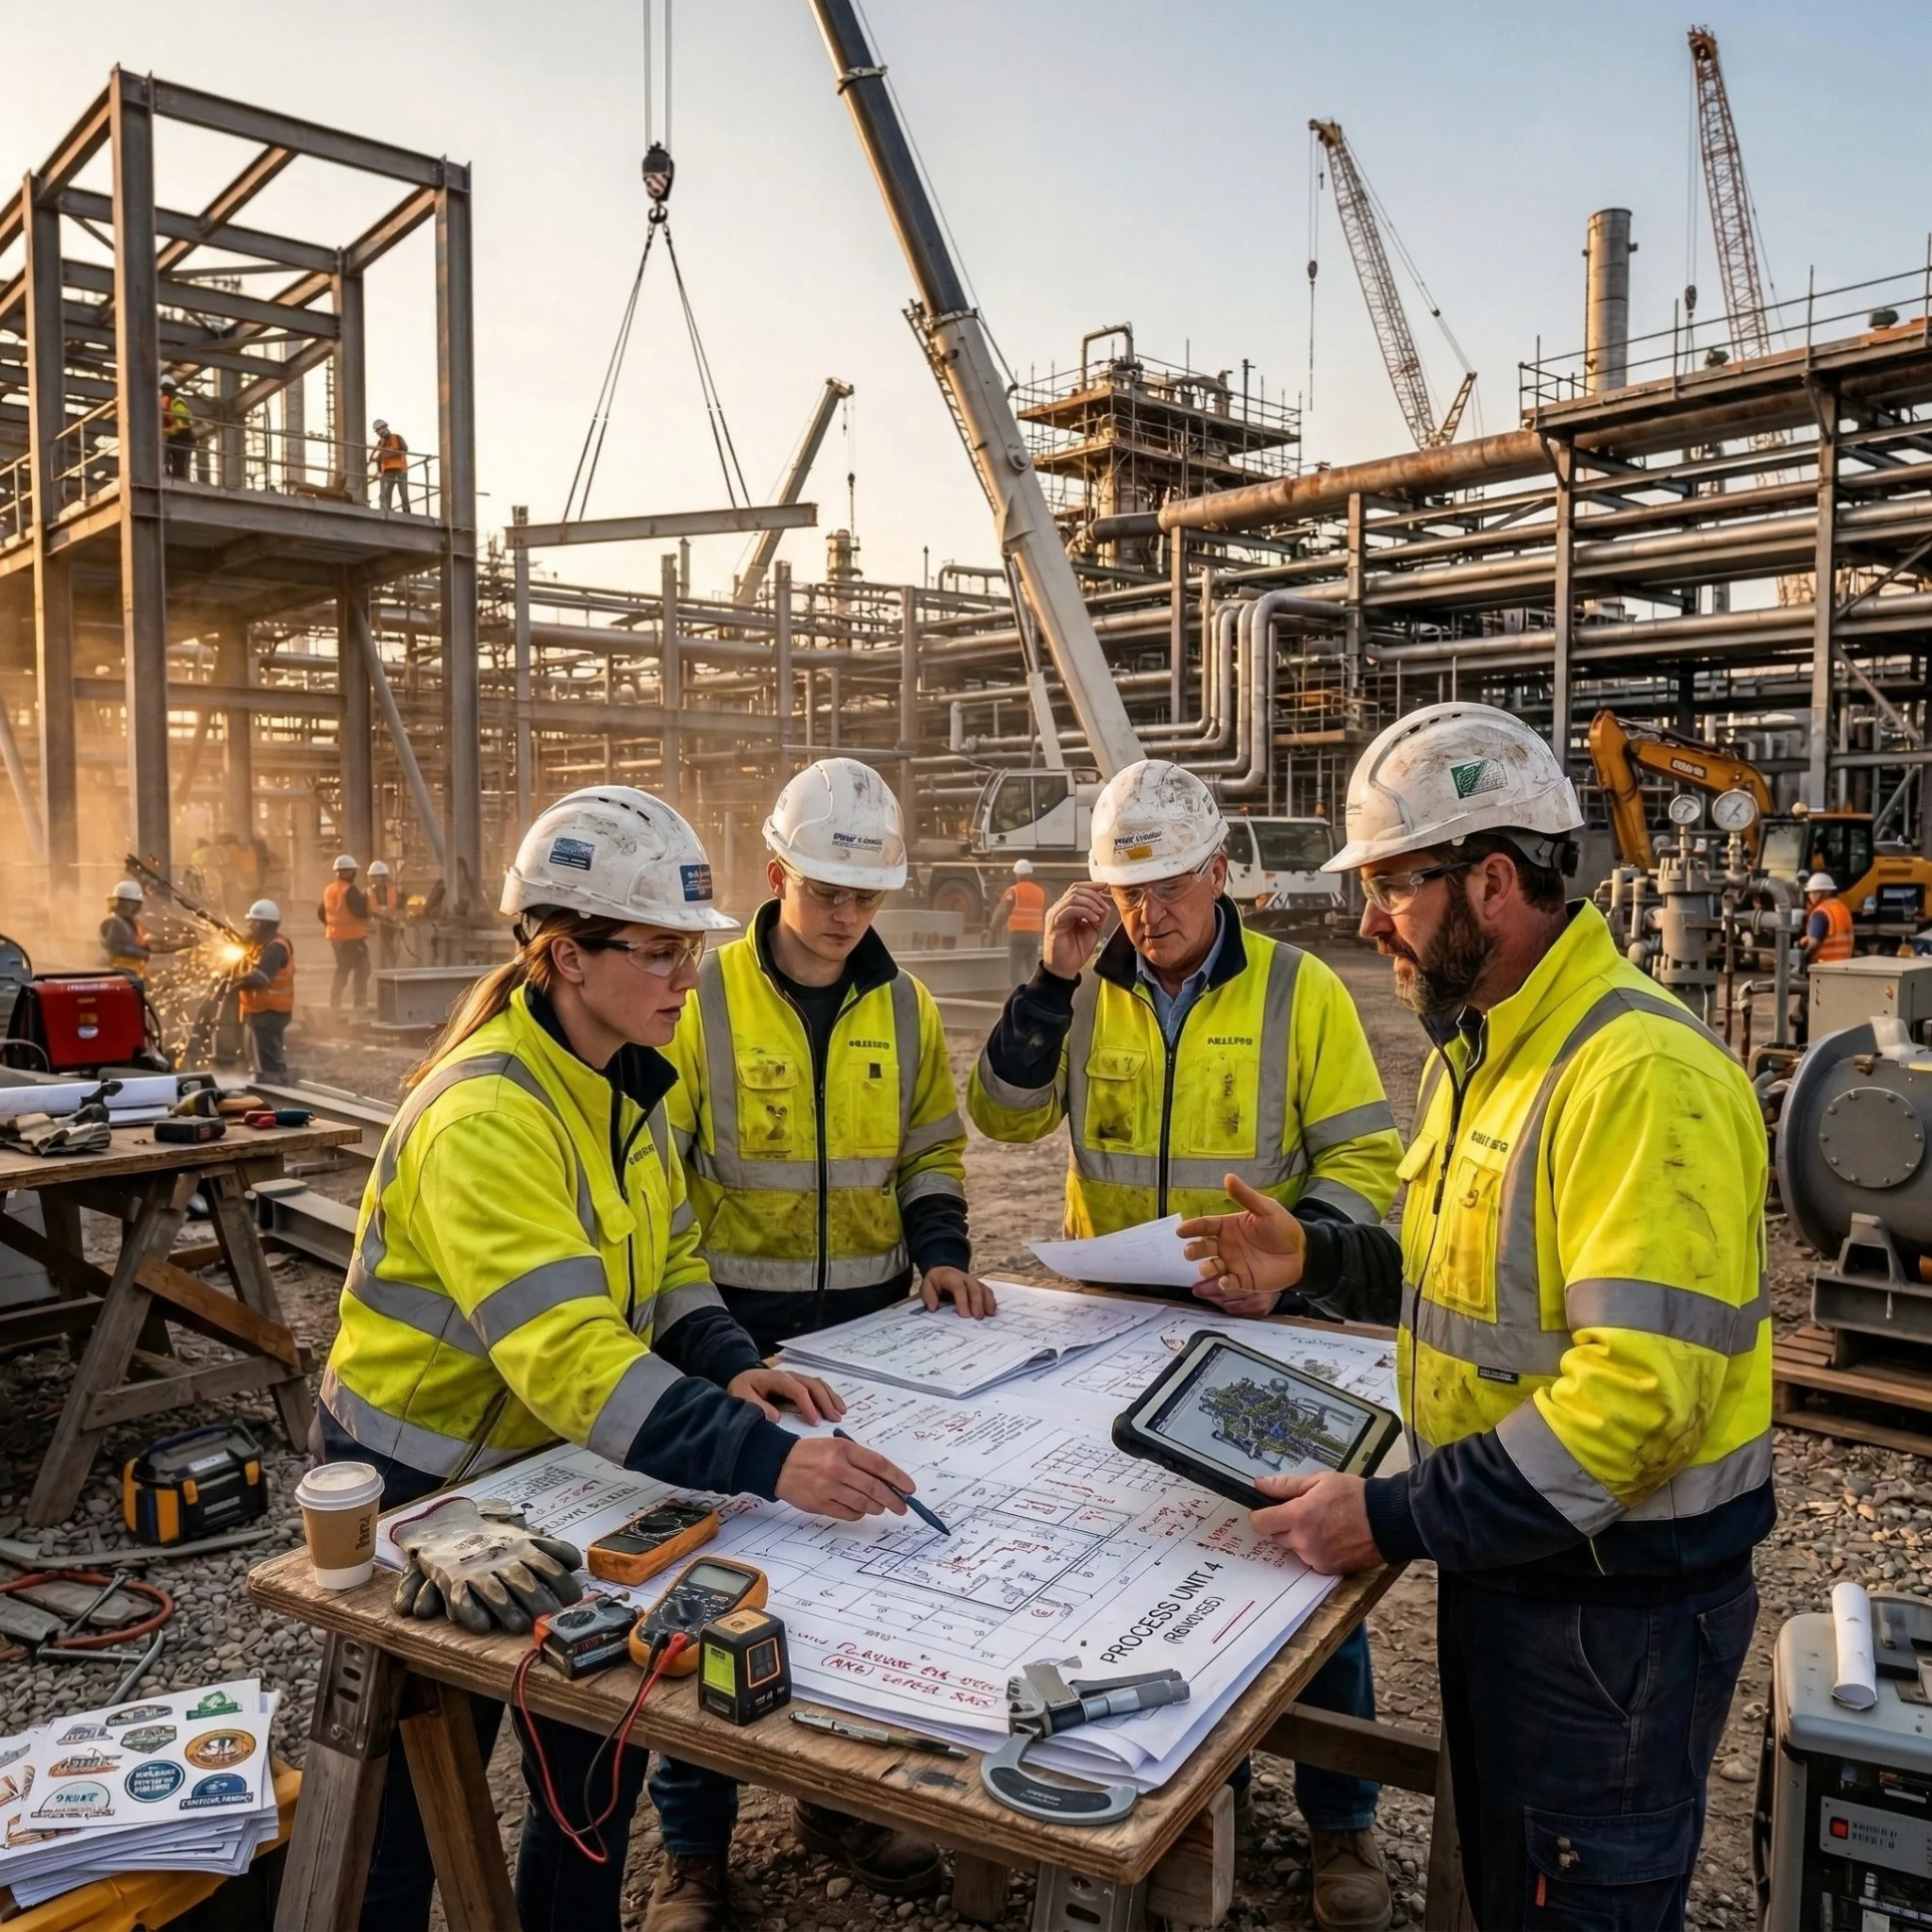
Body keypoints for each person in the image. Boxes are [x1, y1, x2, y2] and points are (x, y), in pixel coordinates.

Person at [1180, 702, 1772, 1932]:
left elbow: (1634, 1406)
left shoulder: (1639, 1077)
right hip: (1522, 1566)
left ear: (1491, 882)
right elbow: (1479, 1289)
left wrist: (1390, 1515)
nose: (1366, 920)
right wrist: (1321, 1261)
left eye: (1392, 886)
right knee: (1508, 1884)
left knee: (1571, 1900)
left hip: (1611, 1621)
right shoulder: (1493, 1048)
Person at [316, 786, 918, 1932]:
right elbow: (572, 1355)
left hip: (551, 1475)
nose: (685, 981)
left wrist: (727, 1358)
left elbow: (667, 1256)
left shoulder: (623, 1083)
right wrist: (763, 1459)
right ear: (563, 955)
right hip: (423, 1494)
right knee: (409, 1796)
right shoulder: (488, 1114)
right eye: (656, 953)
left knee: (590, 1768)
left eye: (690, 951)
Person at [968, 758, 1405, 1932]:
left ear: (1219, 871)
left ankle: (1340, 1816)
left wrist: (1298, 1253)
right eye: (1123, 883)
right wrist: (1049, 980)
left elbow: (1365, 1164)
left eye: (1166, 879)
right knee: (1134, 1572)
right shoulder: (1086, 988)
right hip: (1109, 1326)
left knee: (1304, 1568)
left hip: (1259, 1332)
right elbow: (1001, 1117)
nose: (1146, 908)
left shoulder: (1297, 989)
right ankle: (1172, 1797)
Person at [656, 758, 985, 1925]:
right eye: (827, 886)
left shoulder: (905, 1007)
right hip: (728, 1343)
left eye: (865, 891)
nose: (846, 912)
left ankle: (836, 1799)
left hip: (870, 1341)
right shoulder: (694, 998)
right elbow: (662, 1179)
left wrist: (939, 1244)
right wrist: (707, 1338)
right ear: (777, 871)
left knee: (855, 1582)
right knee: (718, 1594)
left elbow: (930, 1150)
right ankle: (693, 1847)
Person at [233, 900, 294, 1082]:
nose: (250, 928)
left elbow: (261, 978)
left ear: (261, 924)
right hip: (261, 1010)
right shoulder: (263, 944)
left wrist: (237, 982)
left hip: (270, 1011)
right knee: (262, 1056)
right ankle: (270, 1081)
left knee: (268, 1060)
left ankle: (275, 1089)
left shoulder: (275, 948)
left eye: (252, 924)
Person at [319, 854, 373, 1010]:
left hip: (336, 938)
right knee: (363, 968)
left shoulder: (329, 889)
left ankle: (335, 1002)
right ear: (348, 872)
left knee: (342, 968)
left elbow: (321, 913)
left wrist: (333, 926)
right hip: (353, 938)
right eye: (353, 871)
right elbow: (360, 912)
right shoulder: (350, 890)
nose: (355, 874)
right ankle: (360, 1001)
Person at [990, 856, 1046, 983]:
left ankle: (1017, 994)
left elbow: (1002, 912)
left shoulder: (1013, 891)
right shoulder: (1040, 892)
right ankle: (1034, 993)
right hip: (1034, 935)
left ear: (1017, 875)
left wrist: (993, 928)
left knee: (1015, 967)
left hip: (1017, 934)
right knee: (1031, 966)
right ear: (1030, 874)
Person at [100, 881, 162, 978]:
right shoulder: (115, 922)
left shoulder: (129, 922)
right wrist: (144, 953)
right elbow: (117, 948)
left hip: (132, 973)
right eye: (132, 903)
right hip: (119, 974)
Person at [1799, 869, 1854, 964]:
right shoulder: (1843, 909)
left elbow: (1814, 943)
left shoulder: (1821, 912)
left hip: (1824, 966)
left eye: (1812, 892)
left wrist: (1803, 948)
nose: (1810, 896)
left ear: (1820, 893)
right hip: (1844, 965)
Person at [367, 858, 404, 969]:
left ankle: (391, 973)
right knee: (380, 955)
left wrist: (398, 917)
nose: (378, 879)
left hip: (392, 926)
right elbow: (367, 911)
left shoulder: (393, 891)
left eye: (380, 876)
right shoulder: (367, 892)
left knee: (393, 952)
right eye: (375, 876)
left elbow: (400, 906)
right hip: (376, 928)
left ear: (385, 877)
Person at [160, 375, 193, 479]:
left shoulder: (178, 401)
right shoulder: (168, 401)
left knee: (179, 457)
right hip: (176, 434)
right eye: (164, 390)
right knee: (167, 452)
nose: (165, 392)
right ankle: (169, 473)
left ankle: (178, 478)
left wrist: (169, 414)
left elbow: (183, 416)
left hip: (183, 433)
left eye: (167, 389)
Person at [373, 418, 409, 512]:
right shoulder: (380, 443)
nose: (381, 432)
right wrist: (379, 471)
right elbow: (379, 458)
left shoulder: (397, 437)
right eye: (378, 431)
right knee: (385, 494)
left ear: (386, 427)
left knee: (403, 493)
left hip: (400, 469)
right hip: (387, 470)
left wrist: (389, 453)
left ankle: (406, 512)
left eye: (381, 429)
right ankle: (386, 512)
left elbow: (404, 449)